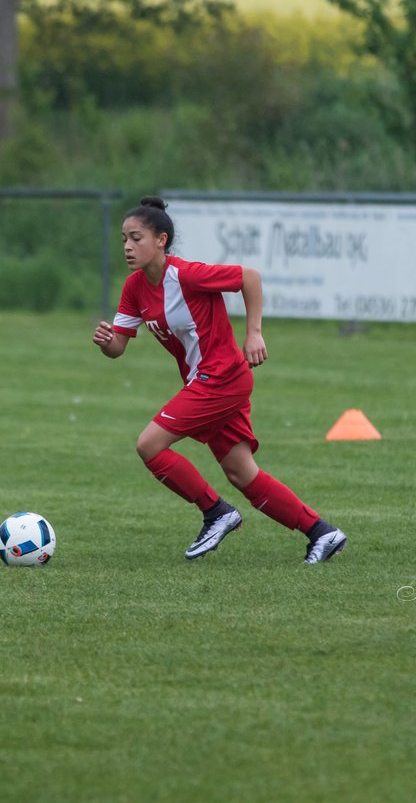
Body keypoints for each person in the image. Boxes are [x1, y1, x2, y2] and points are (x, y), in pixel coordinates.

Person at [92, 196, 347, 563]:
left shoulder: (187, 275)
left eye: (136, 238)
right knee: (242, 472)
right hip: (206, 382)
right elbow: (118, 347)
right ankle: (322, 533)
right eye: (124, 239)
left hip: (222, 378)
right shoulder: (135, 288)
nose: (128, 247)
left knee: (149, 445)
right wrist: (105, 342)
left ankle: (216, 512)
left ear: (161, 240)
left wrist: (254, 333)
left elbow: (249, 277)